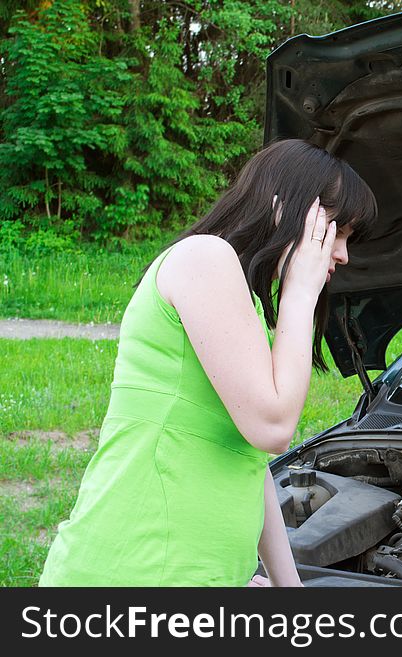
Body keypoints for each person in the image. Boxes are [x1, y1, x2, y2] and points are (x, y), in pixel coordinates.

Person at [39, 139, 377, 586]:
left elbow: (248, 460)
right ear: (284, 210)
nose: (342, 254)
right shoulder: (205, 258)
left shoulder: (241, 299)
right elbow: (273, 428)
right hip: (135, 572)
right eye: (336, 230)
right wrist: (300, 292)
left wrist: (286, 585)